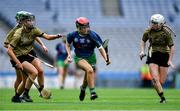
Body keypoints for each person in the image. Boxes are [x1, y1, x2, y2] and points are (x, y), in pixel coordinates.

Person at [6, 11, 62, 102]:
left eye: (32, 20)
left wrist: (56, 36)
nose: (31, 22)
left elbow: (46, 37)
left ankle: (35, 92)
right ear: (23, 22)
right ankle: (24, 95)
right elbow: (8, 49)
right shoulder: (17, 33)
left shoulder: (33, 29)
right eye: (29, 20)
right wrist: (17, 62)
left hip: (28, 53)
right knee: (32, 74)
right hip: (18, 56)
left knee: (38, 71)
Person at [65, 17, 110, 101]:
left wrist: (106, 59)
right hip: (79, 57)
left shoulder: (93, 35)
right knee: (90, 70)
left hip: (91, 57)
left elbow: (100, 48)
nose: (87, 29)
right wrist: (69, 55)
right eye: (84, 27)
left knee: (87, 76)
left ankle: (82, 89)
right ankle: (93, 92)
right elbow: (67, 45)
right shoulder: (72, 35)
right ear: (78, 27)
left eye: (87, 26)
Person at [139, 14, 175, 103]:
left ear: (160, 24)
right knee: (155, 79)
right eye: (152, 22)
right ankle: (163, 98)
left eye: (155, 23)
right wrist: (142, 51)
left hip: (164, 55)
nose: (152, 24)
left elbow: (172, 47)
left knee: (161, 81)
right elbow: (143, 40)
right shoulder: (148, 31)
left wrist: (170, 60)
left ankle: (161, 94)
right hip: (153, 54)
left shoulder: (166, 33)